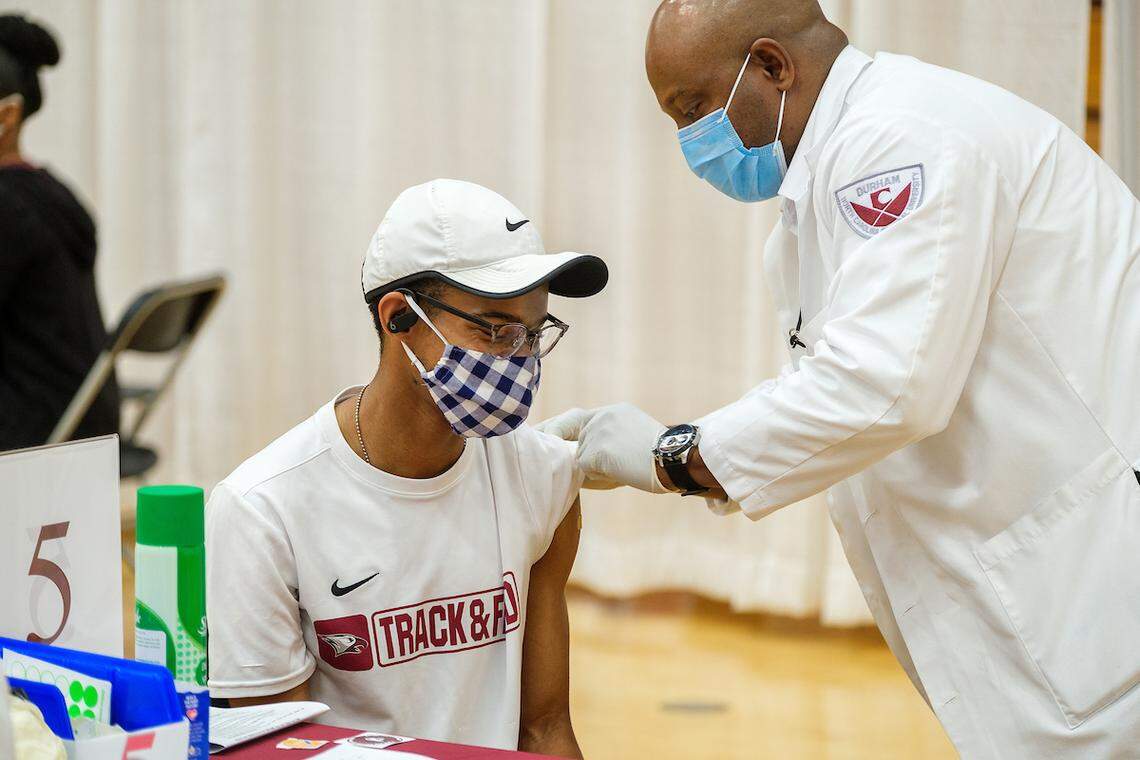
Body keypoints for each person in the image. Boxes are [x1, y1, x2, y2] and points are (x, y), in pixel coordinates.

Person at [539, 0, 1140, 756]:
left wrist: (671, 457)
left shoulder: (903, 140)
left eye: (693, 109)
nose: (691, 143)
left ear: (772, 65)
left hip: (1098, 584)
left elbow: (885, 386)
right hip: (1051, 586)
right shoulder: (830, 185)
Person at [206, 179, 608, 757]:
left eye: (533, 330)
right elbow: (276, 750)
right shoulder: (263, 510)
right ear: (399, 317)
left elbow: (544, 728)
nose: (518, 357)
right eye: (494, 328)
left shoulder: (544, 481)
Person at [0, 14, 119, 451]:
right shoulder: (52, 192)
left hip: (33, 437)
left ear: (7, 114)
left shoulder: (7, 209)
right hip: (86, 424)